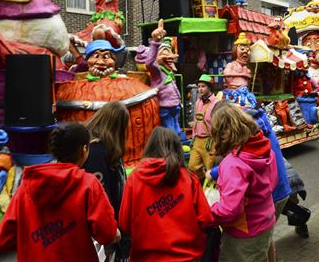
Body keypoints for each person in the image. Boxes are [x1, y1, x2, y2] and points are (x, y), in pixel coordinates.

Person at [0, 123, 119, 261]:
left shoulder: (26, 188)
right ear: (84, 150)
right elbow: (107, 234)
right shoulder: (88, 184)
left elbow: (0, 242)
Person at [119, 127, 213, 262]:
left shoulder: (134, 179)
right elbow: (206, 219)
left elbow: (124, 222)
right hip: (187, 256)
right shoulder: (188, 178)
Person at [209, 102, 278, 262]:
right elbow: (273, 182)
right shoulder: (265, 148)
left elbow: (230, 211)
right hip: (267, 220)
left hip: (245, 232)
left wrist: (210, 210)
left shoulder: (232, 164)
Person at [83, 102, 130, 261]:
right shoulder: (96, 150)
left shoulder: (105, 146)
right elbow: (101, 196)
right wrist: (111, 227)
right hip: (104, 230)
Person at [189, 74, 219, 182]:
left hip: (210, 141)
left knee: (210, 169)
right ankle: (202, 183)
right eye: (199, 86)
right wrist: (193, 136)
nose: (200, 89)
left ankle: (211, 192)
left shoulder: (216, 103)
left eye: (203, 86)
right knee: (192, 166)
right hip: (198, 139)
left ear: (210, 87)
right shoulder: (198, 102)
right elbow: (196, 120)